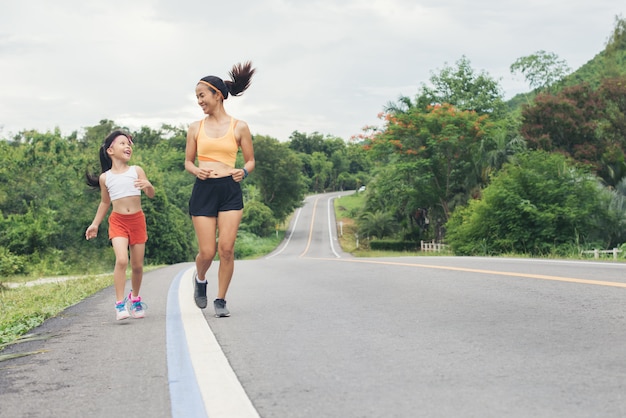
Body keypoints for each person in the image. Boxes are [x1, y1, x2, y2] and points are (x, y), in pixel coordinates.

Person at [185, 61, 256, 317]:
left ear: (217, 94)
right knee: (207, 251)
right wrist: (196, 170)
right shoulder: (195, 128)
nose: (199, 101)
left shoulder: (240, 127)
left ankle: (221, 299)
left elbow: (250, 160)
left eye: (202, 96)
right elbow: (188, 162)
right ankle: (201, 278)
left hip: (229, 189)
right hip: (204, 189)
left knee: (226, 248)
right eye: (197, 97)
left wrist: (244, 171)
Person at [85, 130, 155, 321]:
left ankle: (135, 298)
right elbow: (105, 203)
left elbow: (150, 194)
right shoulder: (105, 178)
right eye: (122, 143)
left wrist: (148, 184)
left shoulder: (137, 170)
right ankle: (119, 304)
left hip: (137, 221)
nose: (127, 147)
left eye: (128, 144)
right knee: (122, 260)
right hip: (118, 222)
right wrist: (95, 224)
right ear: (110, 150)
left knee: (137, 266)